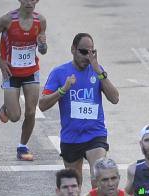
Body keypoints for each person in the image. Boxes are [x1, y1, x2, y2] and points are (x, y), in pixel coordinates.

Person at [39, 33, 119, 186]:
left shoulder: (97, 71)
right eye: (83, 52)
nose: (88, 57)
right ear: (73, 50)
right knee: (74, 186)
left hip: (95, 134)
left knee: (99, 177)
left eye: (92, 52)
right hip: (71, 137)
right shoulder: (59, 73)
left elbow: (115, 98)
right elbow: (42, 104)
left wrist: (100, 74)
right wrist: (63, 90)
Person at [0, 0, 48, 161]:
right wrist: (0, 62)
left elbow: (43, 50)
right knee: (14, 116)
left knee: (31, 111)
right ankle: (7, 108)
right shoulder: (8, 20)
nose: (29, 2)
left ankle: (22, 147)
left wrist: (42, 45)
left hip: (31, 71)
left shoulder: (40, 21)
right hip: (11, 72)